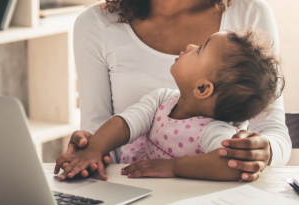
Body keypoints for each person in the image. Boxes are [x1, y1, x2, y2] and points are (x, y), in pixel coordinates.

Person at [64, 0, 292, 182]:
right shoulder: (96, 25)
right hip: (132, 190)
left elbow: (273, 131)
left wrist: (264, 151)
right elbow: (99, 129)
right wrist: (90, 148)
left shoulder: (249, 14)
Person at [56, 30, 284, 181]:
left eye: (199, 50)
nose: (190, 45)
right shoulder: (162, 100)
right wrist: (94, 148)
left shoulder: (214, 130)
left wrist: (174, 167)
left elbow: (231, 164)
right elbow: (126, 124)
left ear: (203, 89)